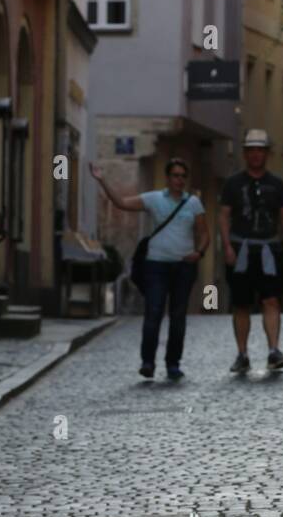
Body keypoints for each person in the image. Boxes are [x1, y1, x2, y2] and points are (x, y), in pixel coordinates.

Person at [89, 157, 209, 380]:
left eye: (183, 176)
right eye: (175, 175)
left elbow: (204, 233)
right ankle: (148, 362)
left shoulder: (193, 203)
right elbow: (122, 203)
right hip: (156, 265)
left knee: (178, 317)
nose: (179, 180)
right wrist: (102, 180)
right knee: (153, 313)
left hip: (183, 266)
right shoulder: (154, 199)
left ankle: (173, 363)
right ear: (168, 177)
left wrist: (199, 253)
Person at [218, 129, 283, 373]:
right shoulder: (233, 184)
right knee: (241, 304)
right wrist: (226, 246)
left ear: (266, 154)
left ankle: (273, 351)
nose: (256, 154)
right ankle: (242, 353)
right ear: (245, 153)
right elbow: (223, 216)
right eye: (251, 150)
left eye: (260, 150)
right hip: (241, 249)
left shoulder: (276, 184)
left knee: (272, 300)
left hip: (269, 250)